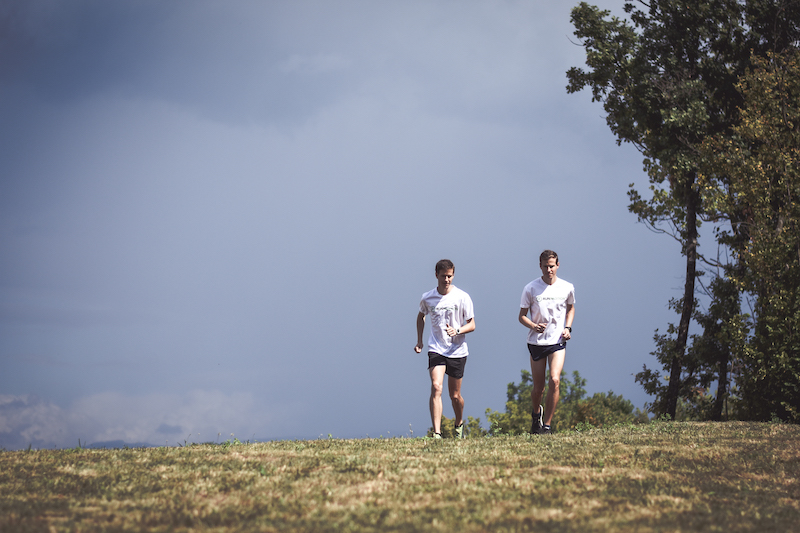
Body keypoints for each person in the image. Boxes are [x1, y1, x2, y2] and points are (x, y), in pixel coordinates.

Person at [415, 259, 475, 439]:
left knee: (455, 396)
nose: (446, 280)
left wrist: (457, 330)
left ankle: (459, 423)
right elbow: (421, 316)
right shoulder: (428, 297)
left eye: (449, 276)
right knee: (436, 386)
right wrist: (420, 341)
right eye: (443, 276)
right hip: (436, 348)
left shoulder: (462, 297)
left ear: (453, 275)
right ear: (436, 276)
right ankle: (437, 433)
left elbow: (472, 324)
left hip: (457, 350)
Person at [518, 250, 575, 434]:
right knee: (539, 388)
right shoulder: (531, 288)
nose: (549, 270)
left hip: (557, 341)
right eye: (545, 266)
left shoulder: (567, 287)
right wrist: (534, 326)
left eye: (552, 266)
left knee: (555, 380)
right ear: (540, 266)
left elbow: (571, 308)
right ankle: (536, 415)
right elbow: (521, 316)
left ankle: (547, 425)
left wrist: (567, 328)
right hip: (536, 342)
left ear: (558, 265)